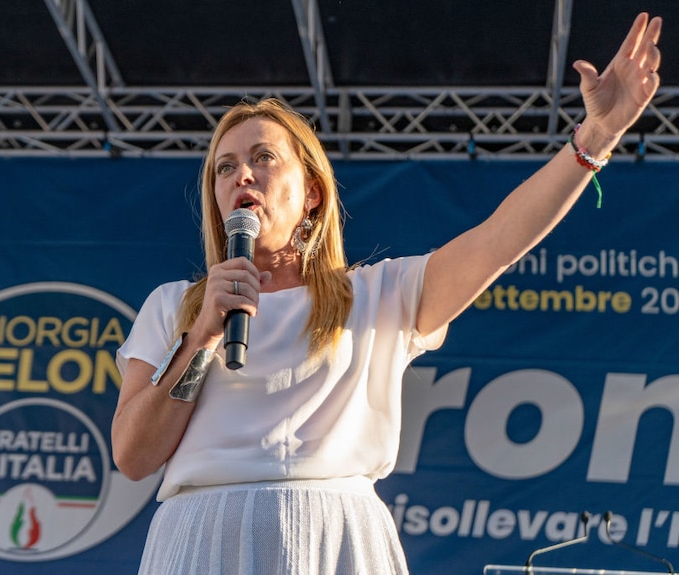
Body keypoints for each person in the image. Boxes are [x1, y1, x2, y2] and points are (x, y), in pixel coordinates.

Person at [112, 13, 662, 574]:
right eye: (224, 168)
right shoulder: (174, 305)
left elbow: (499, 241)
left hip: (336, 541)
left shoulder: (376, 296)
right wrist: (202, 333)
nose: (242, 177)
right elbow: (133, 457)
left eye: (263, 158)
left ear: (312, 195)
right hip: (203, 542)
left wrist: (596, 138)